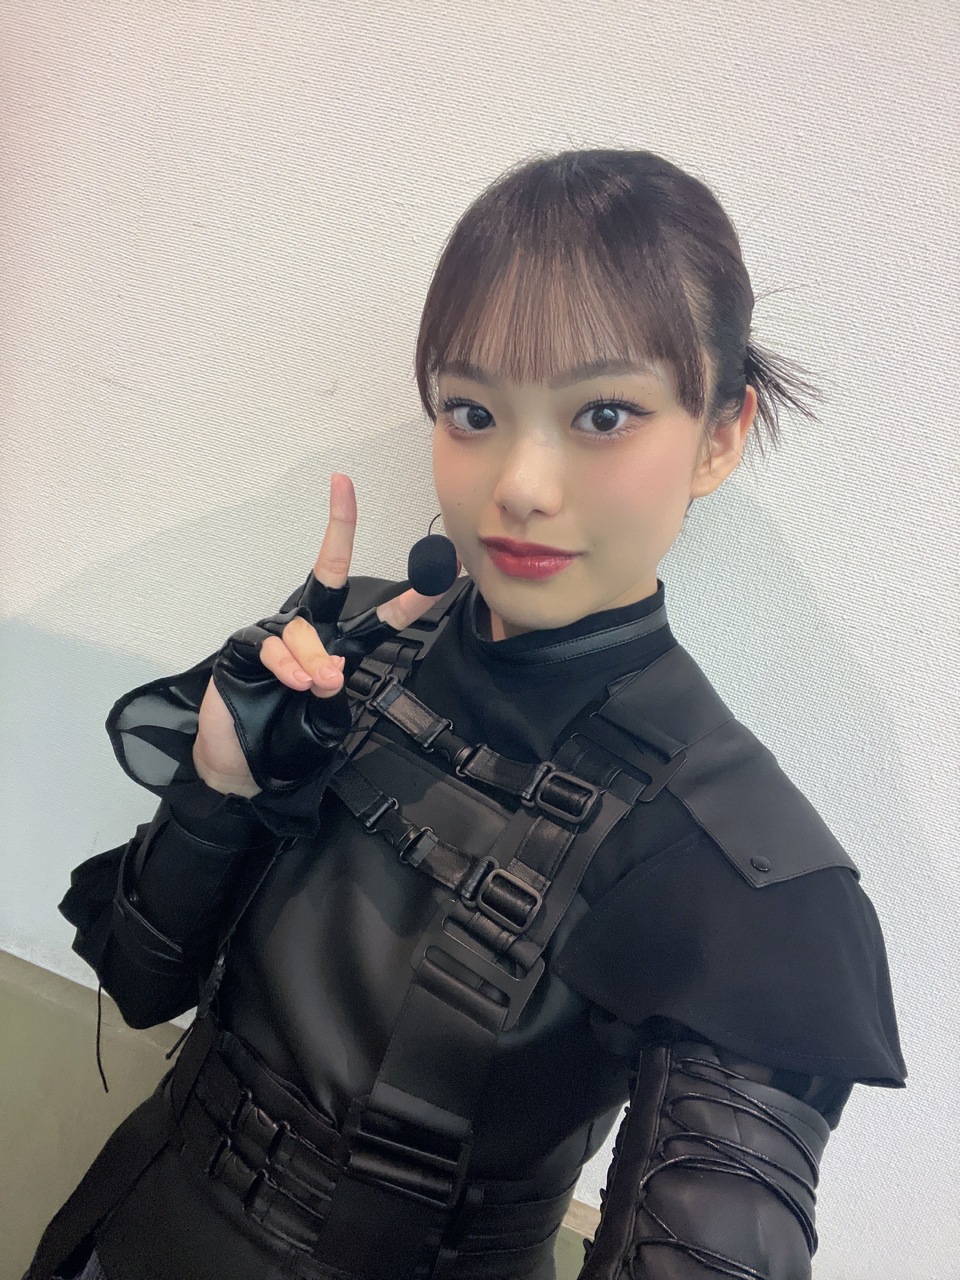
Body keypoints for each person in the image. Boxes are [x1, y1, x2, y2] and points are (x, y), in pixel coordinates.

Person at [27, 148, 905, 1280]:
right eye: (473, 410)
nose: (521, 484)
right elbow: (144, 985)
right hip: (123, 1231)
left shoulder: (747, 875)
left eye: (603, 412)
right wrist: (223, 788)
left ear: (721, 433)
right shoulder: (346, 657)